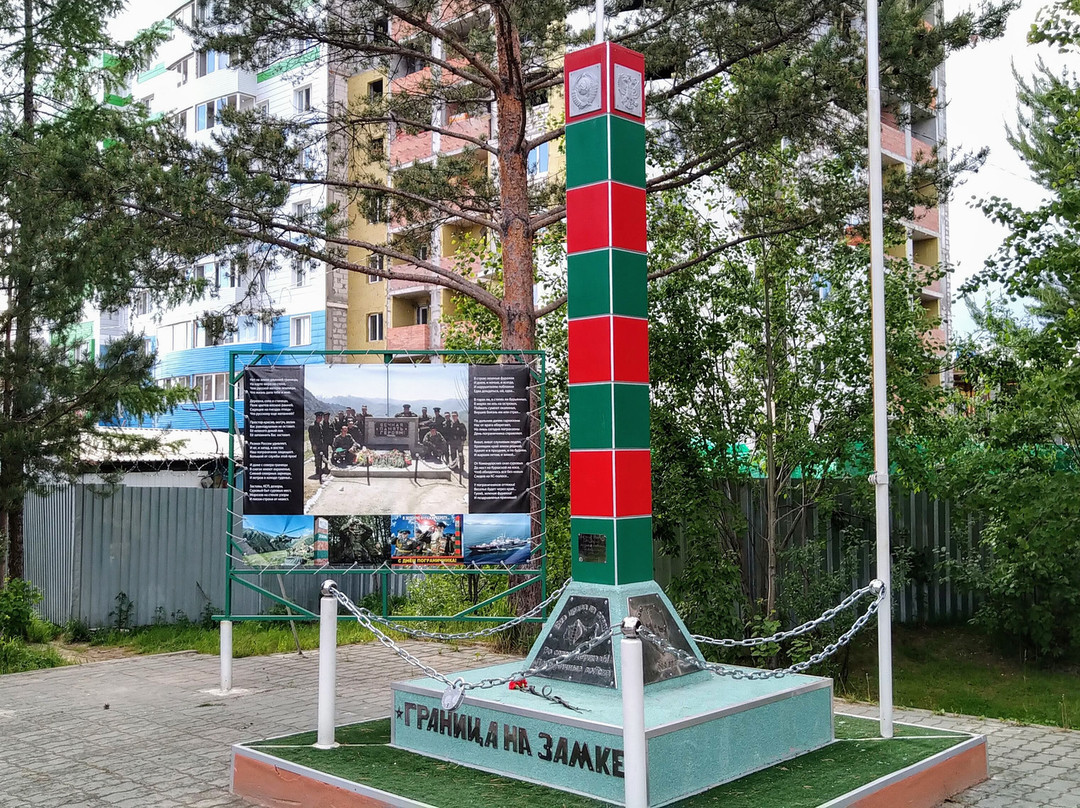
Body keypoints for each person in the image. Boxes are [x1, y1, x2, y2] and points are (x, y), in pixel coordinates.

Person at [308, 412, 328, 480]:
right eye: (319, 418)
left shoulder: (320, 425)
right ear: (316, 418)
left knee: (322, 456)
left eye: (321, 418)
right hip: (316, 445)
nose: (320, 419)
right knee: (317, 457)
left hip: (321, 444)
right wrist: (313, 445)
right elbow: (311, 437)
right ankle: (317, 470)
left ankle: (321, 469)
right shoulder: (312, 426)